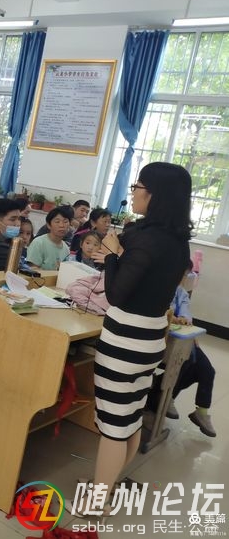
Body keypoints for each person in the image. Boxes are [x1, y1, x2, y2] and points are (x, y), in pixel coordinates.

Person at [87, 162, 192, 514]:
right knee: (130, 419)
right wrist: (118, 254)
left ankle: (98, 502)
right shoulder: (178, 241)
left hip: (124, 340)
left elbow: (118, 294)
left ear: (155, 194)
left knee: (113, 426)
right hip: (150, 339)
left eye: (138, 187)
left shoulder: (145, 238)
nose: (133, 193)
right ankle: (107, 486)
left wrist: (112, 255)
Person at [162, 265, 216, 437]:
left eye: (185, 275)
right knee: (188, 362)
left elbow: (186, 315)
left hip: (181, 341)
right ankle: (162, 400)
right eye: (181, 273)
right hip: (163, 341)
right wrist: (170, 317)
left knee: (207, 370)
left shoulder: (181, 293)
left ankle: (201, 412)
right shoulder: (159, 286)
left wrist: (184, 320)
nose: (182, 278)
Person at [26, 206, 73, 270]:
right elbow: (32, 269)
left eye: (65, 222)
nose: (62, 225)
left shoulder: (66, 249)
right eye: (57, 222)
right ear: (48, 225)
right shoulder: (38, 243)